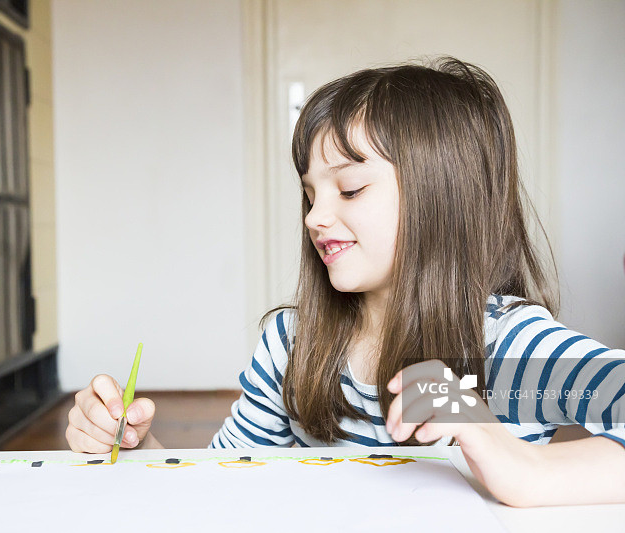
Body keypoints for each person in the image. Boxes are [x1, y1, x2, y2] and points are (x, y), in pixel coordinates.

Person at [66, 57, 625, 507]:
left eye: (350, 189)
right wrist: (136, 448)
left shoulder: (506, 346)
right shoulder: (291, 343)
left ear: (442, 201)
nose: (314, 216)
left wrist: (526, 469)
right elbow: (226, 479)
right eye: (310, 194)